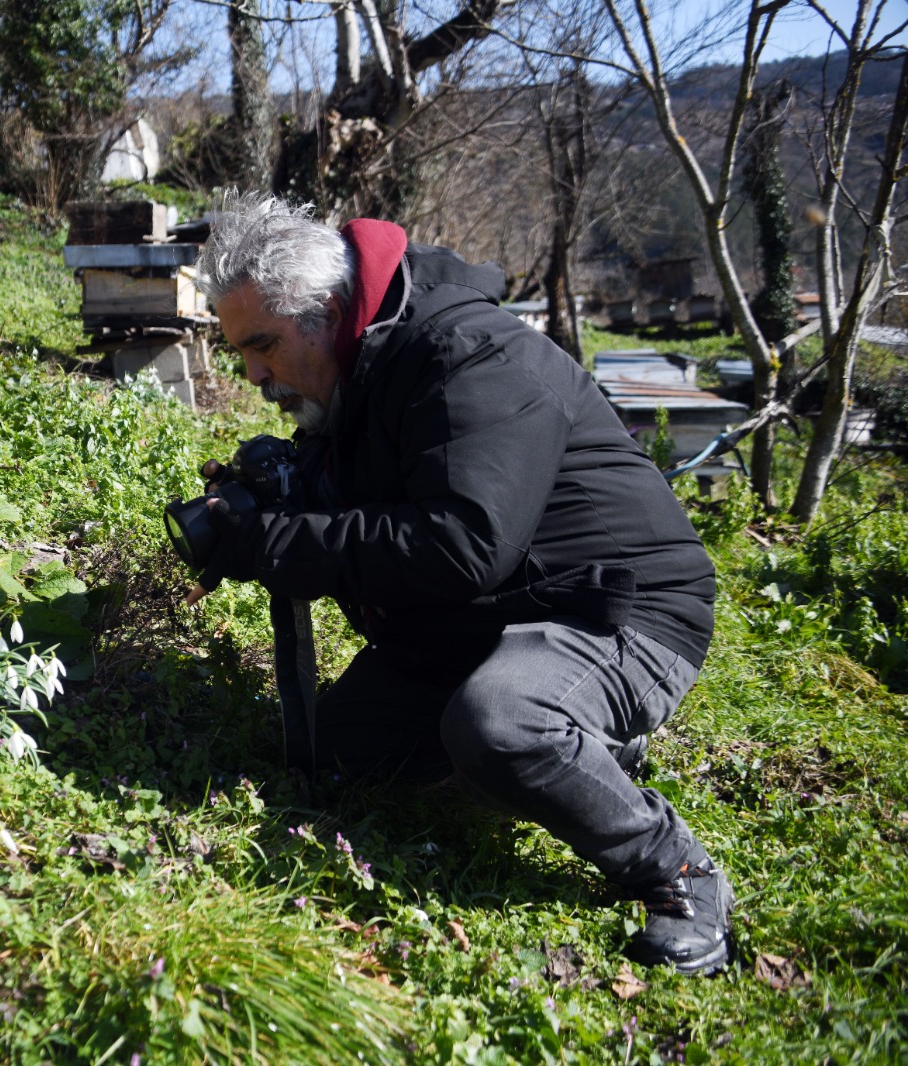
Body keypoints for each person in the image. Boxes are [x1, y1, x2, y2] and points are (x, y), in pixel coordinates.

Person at [184, 192, 733, 976]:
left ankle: (677, 871)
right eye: (243, 351)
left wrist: (278, 543)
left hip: (617, 608)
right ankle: (582, 740)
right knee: (340, 755)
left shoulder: (473, 353)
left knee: (501, 726)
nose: (253, 373)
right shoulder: (355, 375)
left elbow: (461, 545)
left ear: (330, 310)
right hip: (483, 616)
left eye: (263, 345)